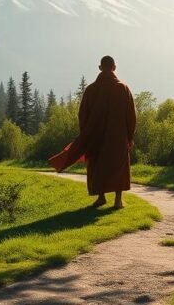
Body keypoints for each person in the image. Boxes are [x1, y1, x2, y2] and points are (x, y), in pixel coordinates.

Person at [48, 55, 137, 208]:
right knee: (119, 165)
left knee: (97, 166)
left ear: (100, 68)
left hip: (96, 136)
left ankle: (101, 197)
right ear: (114, 67)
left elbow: (82, 115)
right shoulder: (123, 88)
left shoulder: (91, 90)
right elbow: (131, 116)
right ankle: (118, 201)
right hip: (118, 137)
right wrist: (129, 136)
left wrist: (86, 134)